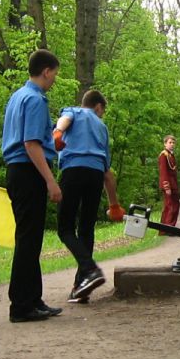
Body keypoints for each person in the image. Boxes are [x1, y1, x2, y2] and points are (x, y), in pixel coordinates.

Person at [1, 49, 63, 323]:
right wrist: (50, 180)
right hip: (29, 171)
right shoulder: (36, 100)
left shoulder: (17, 96)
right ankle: (21, 306)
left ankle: (33, 299)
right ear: (46, 71)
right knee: (28, 240)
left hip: (16, 171)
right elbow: (31, 143)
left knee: (30, 237)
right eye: (55, 75)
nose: (54, 81)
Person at [54, 89, 124, 303]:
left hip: (73, 171)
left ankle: (89, 269)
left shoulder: (73, 111)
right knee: (86, 228)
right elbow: (108, 175)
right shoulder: (101, 128)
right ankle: (80, 286)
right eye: (103, 111)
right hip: (95, 175)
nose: (101, 115)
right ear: (98, 106)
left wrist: (57, 133)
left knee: (65, 228)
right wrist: (114, 204)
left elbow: (65, 119)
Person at [157, 134, 180, 233]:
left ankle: (168, 228)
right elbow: (164, 172)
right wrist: (167, 187)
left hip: (173, 184)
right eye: (170, 142)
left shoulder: (171, 155)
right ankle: (167, 229)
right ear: (165, 144)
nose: (172, 144)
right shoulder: (164, 155)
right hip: (169, 185)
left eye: (173, 143)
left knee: (174, 205)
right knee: (170, 206)